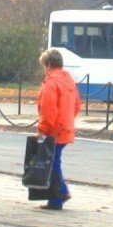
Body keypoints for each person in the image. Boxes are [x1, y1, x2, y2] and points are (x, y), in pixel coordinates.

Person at [35, 47, 80, 210]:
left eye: (44, 66)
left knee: (52, 164)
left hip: (54, 129)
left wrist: (42, 130)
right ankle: (62, 192)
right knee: (55, 162)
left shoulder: (51, 83)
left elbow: (48, 110)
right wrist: (67, 118)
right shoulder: (69, 81)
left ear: (48, 65)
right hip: (66, 127)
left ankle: (56, 199)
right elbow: (77, 105)